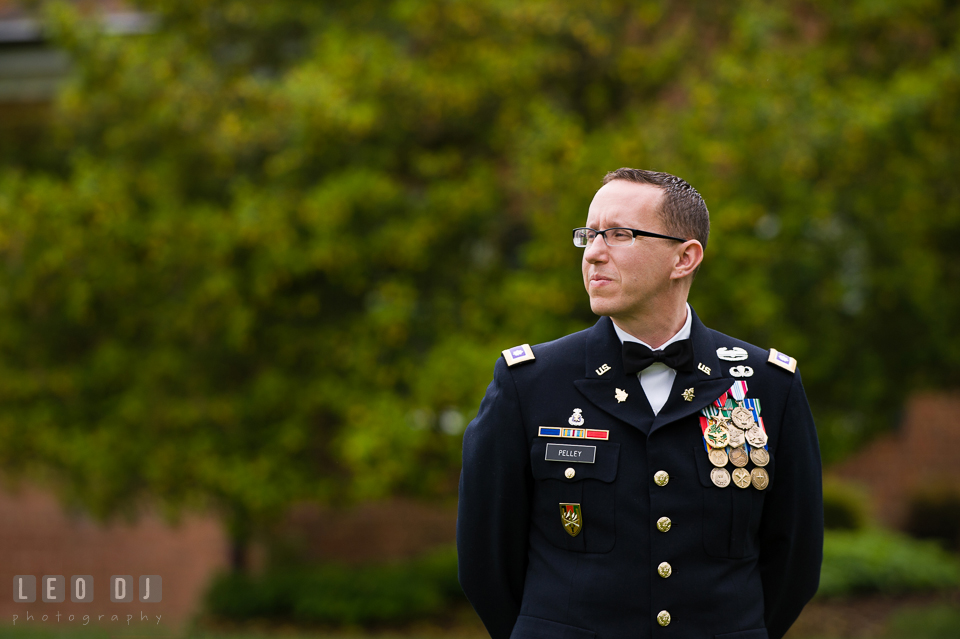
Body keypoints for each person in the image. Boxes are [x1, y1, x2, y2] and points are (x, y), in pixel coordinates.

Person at [457, 168, 823, 639]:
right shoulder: (529, 383)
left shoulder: (769, 385)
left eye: (619, 234)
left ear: (684, 258)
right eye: (588, 235)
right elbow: (485, 561)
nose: (593, 253)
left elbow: (793, 560)